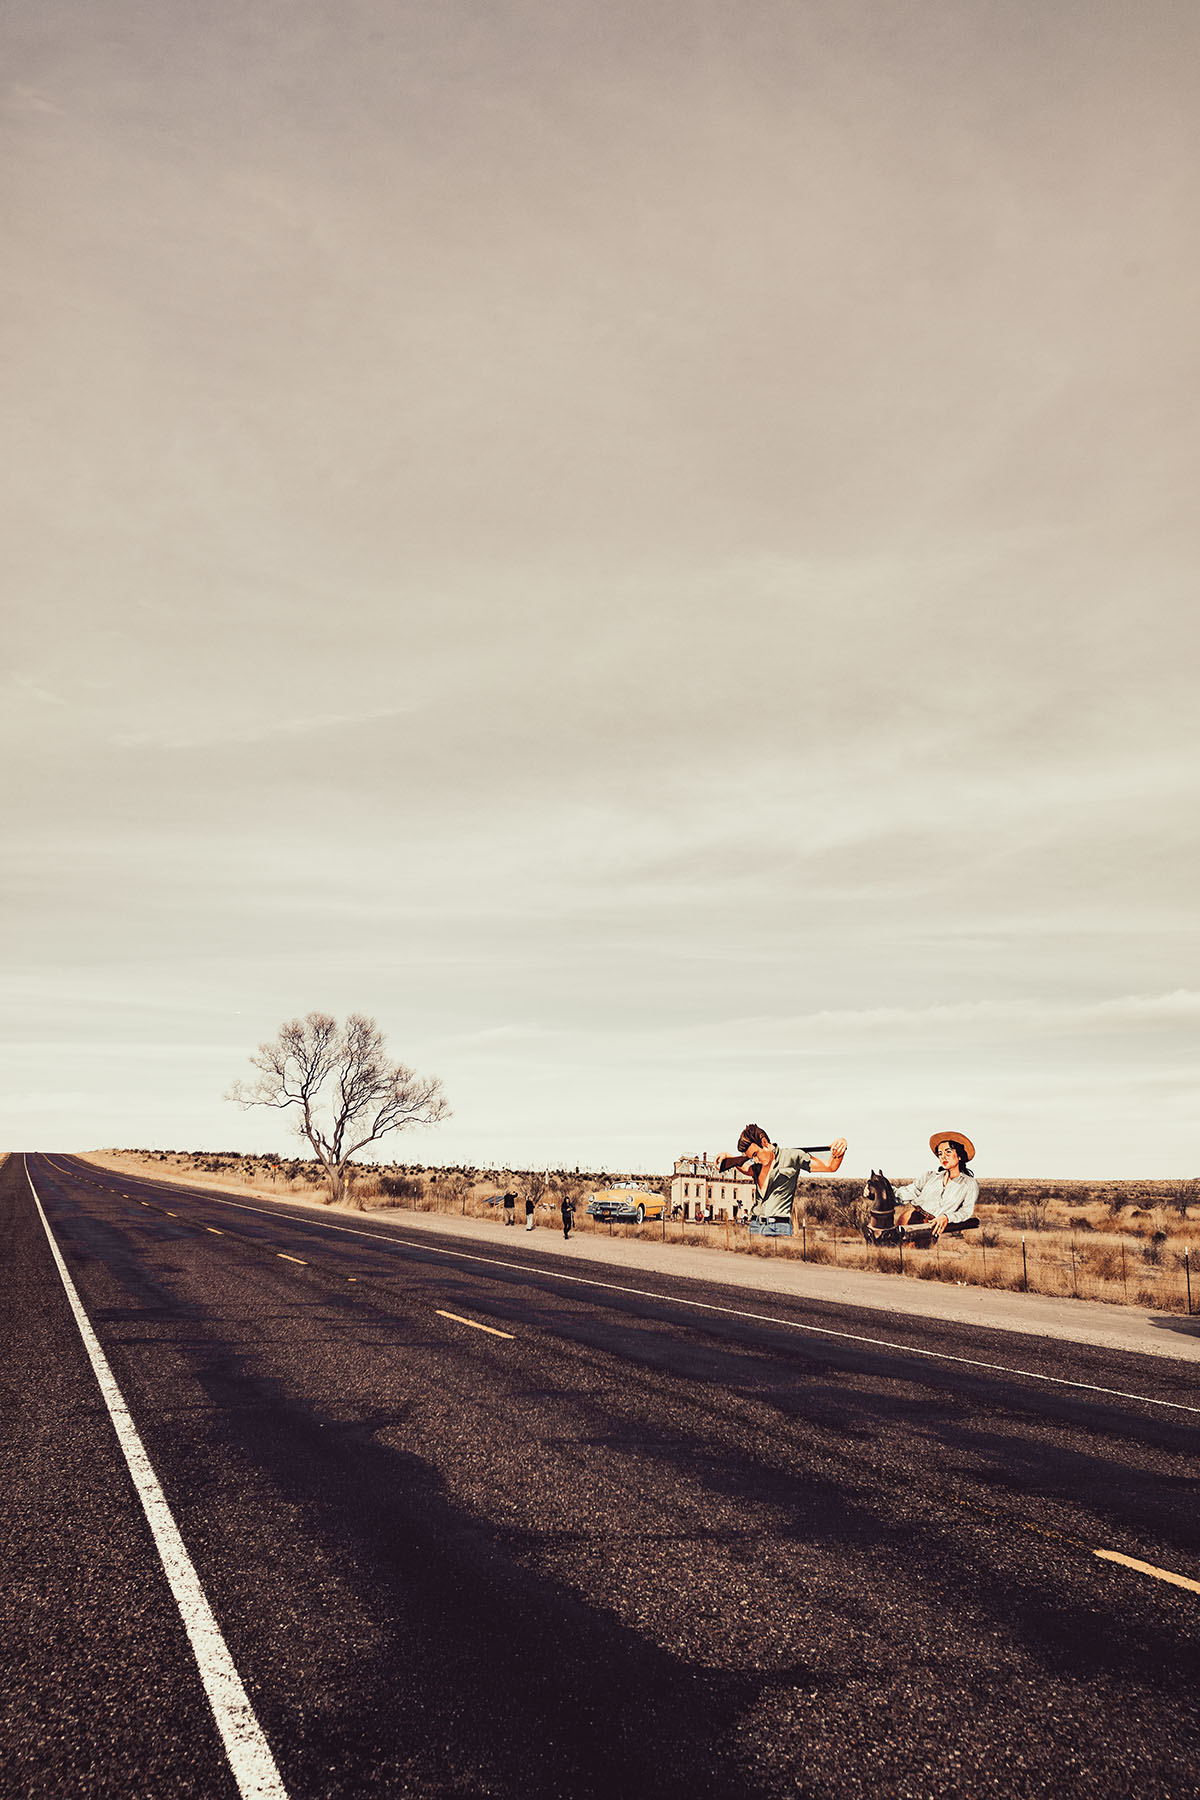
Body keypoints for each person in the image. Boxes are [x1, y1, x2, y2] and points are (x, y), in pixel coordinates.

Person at [716, 1124, 847, 1236]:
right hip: (754, 1225)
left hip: (778, 1227)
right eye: (752, 1157)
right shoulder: (756, 1168)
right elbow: (745, 1168)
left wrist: (841, 1144)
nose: (755, 1160)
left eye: (755, 1154)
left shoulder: (791, 1156)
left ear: (764, 1143)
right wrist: (728, 1158)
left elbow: (830, 1166)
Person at [892, 1133, 979, 1241]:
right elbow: (908, 1192)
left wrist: (947, 1217)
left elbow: (966, 1211)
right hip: (914, 1219)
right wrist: (880, 1190)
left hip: (942, 1226)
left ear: (960, 1155)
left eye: (948, 1152)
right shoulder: (929, 1176)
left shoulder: (969, 1184)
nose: (943, 1157)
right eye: (940, 1153)